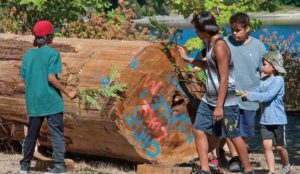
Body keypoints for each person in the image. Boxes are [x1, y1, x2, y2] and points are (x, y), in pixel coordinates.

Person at [177, 11, 254, 174]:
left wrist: (219, 106)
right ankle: (205, 170)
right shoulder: (209, 43)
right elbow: (209, 66)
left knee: (233, 135)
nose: (196, 33)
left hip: (225, 100)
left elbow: (225, 78)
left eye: (197, 29)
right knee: (198, 129)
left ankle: (248, 169)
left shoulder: (219, 46)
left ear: (205, 28)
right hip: (209, 98)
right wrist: (189, 59)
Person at [20, 20, 77, 174]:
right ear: (47, 37)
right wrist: (68, 92)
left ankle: (24, 166)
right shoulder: (53, 53)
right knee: (57, 134)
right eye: (52, 34)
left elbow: (24, 78)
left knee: (32, 134)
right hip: (52, 101)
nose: (53, 36)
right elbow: (51, 78)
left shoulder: (27, 56)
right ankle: (59, 167)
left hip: (34, 101)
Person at [223, 12, 267, 172]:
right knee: (230, 128)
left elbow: (264, 69)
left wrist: (264, 91)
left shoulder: (258, 46)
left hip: (250, 96)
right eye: (232, 30)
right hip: (229, 94)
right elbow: (211, 56)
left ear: (247, 28)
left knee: (245, 132)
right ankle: (235, 158)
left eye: (238, 30)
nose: (234, 33)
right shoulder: (225, 42)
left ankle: (241, 157)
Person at [241, 51, 291, 174]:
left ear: (273, 67)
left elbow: (267, 96)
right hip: (265, 120)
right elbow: (257, 92)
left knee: (280, 147)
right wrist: (245, 94)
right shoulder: (262, 81)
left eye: (264, 64)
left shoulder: (279, 80)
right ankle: (271, 171)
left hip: (278, 120)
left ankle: (287, 165)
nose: (262, 67)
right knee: (266, 146)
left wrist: (250, 96)